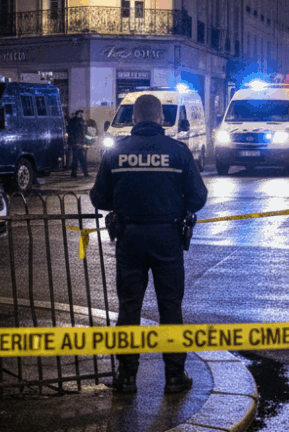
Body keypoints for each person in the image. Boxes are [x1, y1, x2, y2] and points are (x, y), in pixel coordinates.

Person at [90, 94, 207, 394]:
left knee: (129, 308)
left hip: (129, 237)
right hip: (168, 238)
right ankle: (174, 377)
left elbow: (99, 198)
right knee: (170, 307)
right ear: (160, 119)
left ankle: (126, 377)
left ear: (132, 118)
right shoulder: (178, 151)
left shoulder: (116, 153)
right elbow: (198, 197)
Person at [67, 110, 89, 177]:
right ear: (79, 114)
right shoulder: (78, 123)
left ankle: (75, 173)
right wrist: (80, 143)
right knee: (80, 159)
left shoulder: (74, 122)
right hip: (77, 144)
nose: (83, 116)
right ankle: (83, 173)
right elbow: (79, 134)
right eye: (82, 114)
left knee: (77, 159)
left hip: (76, 143)